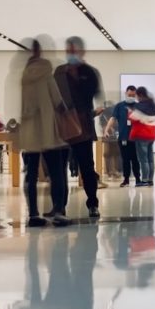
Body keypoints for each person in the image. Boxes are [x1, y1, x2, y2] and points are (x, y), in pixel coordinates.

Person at [20, 39, 71, 226]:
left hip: (29, 130)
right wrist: (66, 114)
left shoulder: (21, 75)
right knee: (56, 171)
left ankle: (33, 214)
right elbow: (58, 100)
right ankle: (58, 211)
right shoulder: (46, 73)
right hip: (48, 128)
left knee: (30, 173)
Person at [54, 36, 104, 218]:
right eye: (69, 50)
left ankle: (93, 203)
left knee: (87, 167)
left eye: (74, 50)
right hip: (63, 127)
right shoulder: (59, 72)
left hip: (83, 126)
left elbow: (94, 95)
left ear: (81, 52)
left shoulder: (89, 73)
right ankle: (60, 206)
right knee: (60, 168)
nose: (71, 54)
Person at [106, 86, 141, 187]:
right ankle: (126, 179)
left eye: (133, 95)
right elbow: (113, 118)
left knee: (135, 159)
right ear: (126, 93)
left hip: (136, 138)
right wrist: (107, 129)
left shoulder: (138, 106)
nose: (131, 97)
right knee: (125, 159)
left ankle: (138, 179)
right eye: (129, 95)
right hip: (123, 137)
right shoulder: (119, 106)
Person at [129, 86, 155, 187]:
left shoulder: (140, 106)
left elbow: (132, 118)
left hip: (141, 135)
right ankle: (150, 180)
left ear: (140, 95)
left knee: (143, 159)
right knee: (150, 159)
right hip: (152, 134)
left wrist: (130, 112)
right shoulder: (152, 105)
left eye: (136, 95)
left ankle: (144, 180)